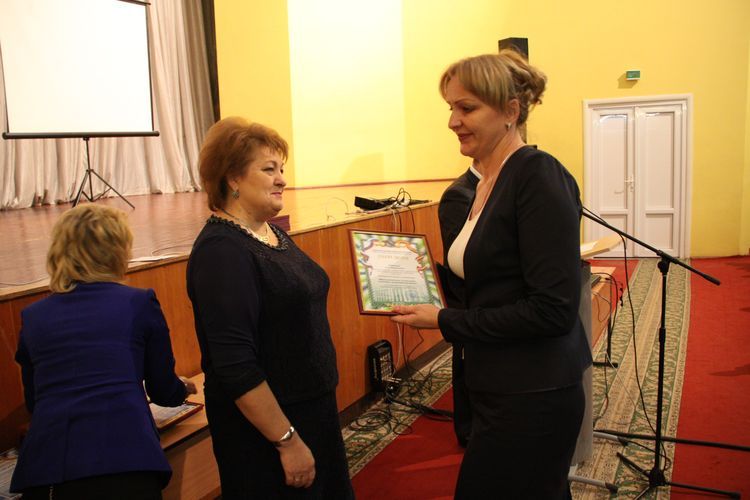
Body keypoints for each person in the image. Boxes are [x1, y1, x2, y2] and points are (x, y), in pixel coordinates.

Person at [391, 51, 592, 499]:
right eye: (450, 108)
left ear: (510, 111)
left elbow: (552, 311)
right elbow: (492, 283)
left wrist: (444, 321)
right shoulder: (485, 182)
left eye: (467, 108)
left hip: (534, 391)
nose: (452, 121)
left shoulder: (537, 175)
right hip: (499, 384)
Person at [186, 117, 354, 499]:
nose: (282, 179)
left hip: (309, 412)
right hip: (267, 433)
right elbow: (235, 366)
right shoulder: (222, 252)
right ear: (232, 177)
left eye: (281, 169)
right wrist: (287, 441)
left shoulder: (269, 231)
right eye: (269, 169)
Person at [11, 204, 196, 500]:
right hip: (123, 460)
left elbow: (35, 400)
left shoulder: (33, 316)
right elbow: (163, 391)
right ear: (118, 251)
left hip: (48, 468)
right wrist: (182, 389)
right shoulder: (138, 303)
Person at [436, 163, 480, 448]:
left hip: (484, 303)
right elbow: (459, 260)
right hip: (468, 298)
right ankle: (468, 431)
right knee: (467, 367)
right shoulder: (459, 194)